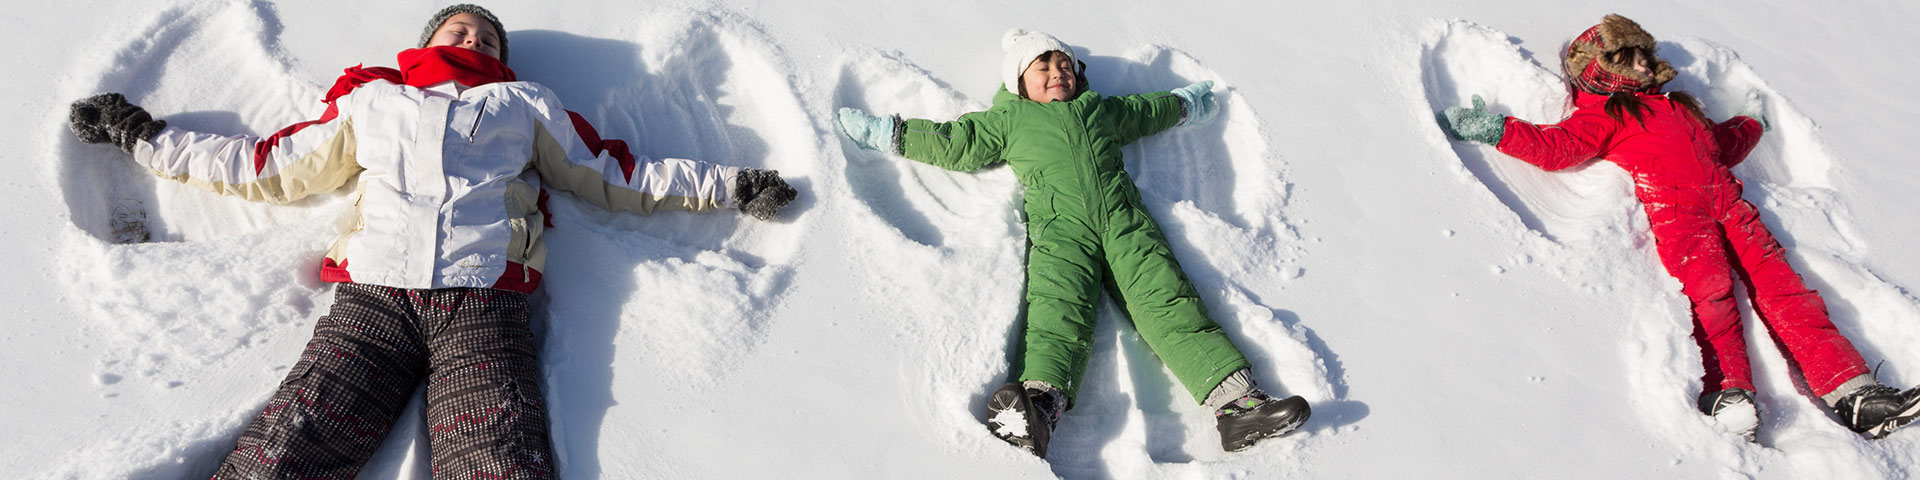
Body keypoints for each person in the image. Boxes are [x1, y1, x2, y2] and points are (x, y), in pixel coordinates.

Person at [67, 5, 796, 478]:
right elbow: (265, 167)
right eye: (458, 31)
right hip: (374, 302)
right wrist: (144, 137)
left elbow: (616, 172)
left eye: (485, 37)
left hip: (484, 305)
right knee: (295, 438)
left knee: (496, 456)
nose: (472, 39)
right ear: (423, 46)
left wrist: (731, 187)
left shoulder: (522, 105)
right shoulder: (372, 101)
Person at [1437, 14, 1919, 440]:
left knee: (1788, 292)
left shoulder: (1678, 107)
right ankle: (1728, 391)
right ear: (1603, 67)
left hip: (1733, 209)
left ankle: (1855, 394)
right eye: (1632, 59)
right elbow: (1558, 148)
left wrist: (1750, 122)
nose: (1646, 66)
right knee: (1711, 298)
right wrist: (1496, 130)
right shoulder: (1603, 113)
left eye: (1647, 58)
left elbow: (1723, 145)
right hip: (1679, 216)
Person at [834, 29, 1310, 457]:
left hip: (1127, 226)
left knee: (1169, 300)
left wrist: (1184, 104)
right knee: (1058, 312)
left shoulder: (1098, 110)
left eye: (1064, 65)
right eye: (1042, 68)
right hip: (1061, 233)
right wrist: (889, 133)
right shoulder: (1008, 121)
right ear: (1020, 82)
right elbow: (955, 142)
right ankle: (1037, 410)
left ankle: (1238, 405)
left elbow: (1145, 112)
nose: (1057, 73)